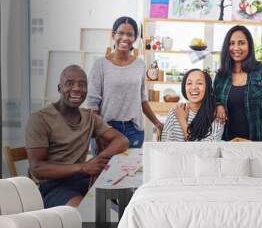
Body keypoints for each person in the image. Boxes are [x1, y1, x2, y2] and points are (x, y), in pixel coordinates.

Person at [26, 65, 129, 208]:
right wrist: (84, 167)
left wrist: (97, 160)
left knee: (127, 199)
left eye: (82, 85)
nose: (76, 89)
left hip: (81, 180)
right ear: (59, 88)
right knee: (86, 215)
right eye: (69, 83)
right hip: (50, 186)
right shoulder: (40, 119)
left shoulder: (90, 117)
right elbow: (37, 167)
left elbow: (122, 140)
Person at [87, 16, 163, 148]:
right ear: (113, 35)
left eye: (130, 34)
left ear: (135, 38)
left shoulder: (140, 64)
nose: (125, 38)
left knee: (131, 168)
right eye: (121, 33)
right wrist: (98, 133)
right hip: (107, 129)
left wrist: (156, 123)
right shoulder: (100, 65)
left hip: (134, 130)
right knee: (105, 168)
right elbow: (93, 104)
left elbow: (142, 99)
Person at [161, 69, 224, 141]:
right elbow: (165, 144)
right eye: (189, 83)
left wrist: (182, 120)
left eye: (199, 83)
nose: (194, 87)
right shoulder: (176, 111)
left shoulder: (217, 117)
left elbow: (204, 150)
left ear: (208, 88)